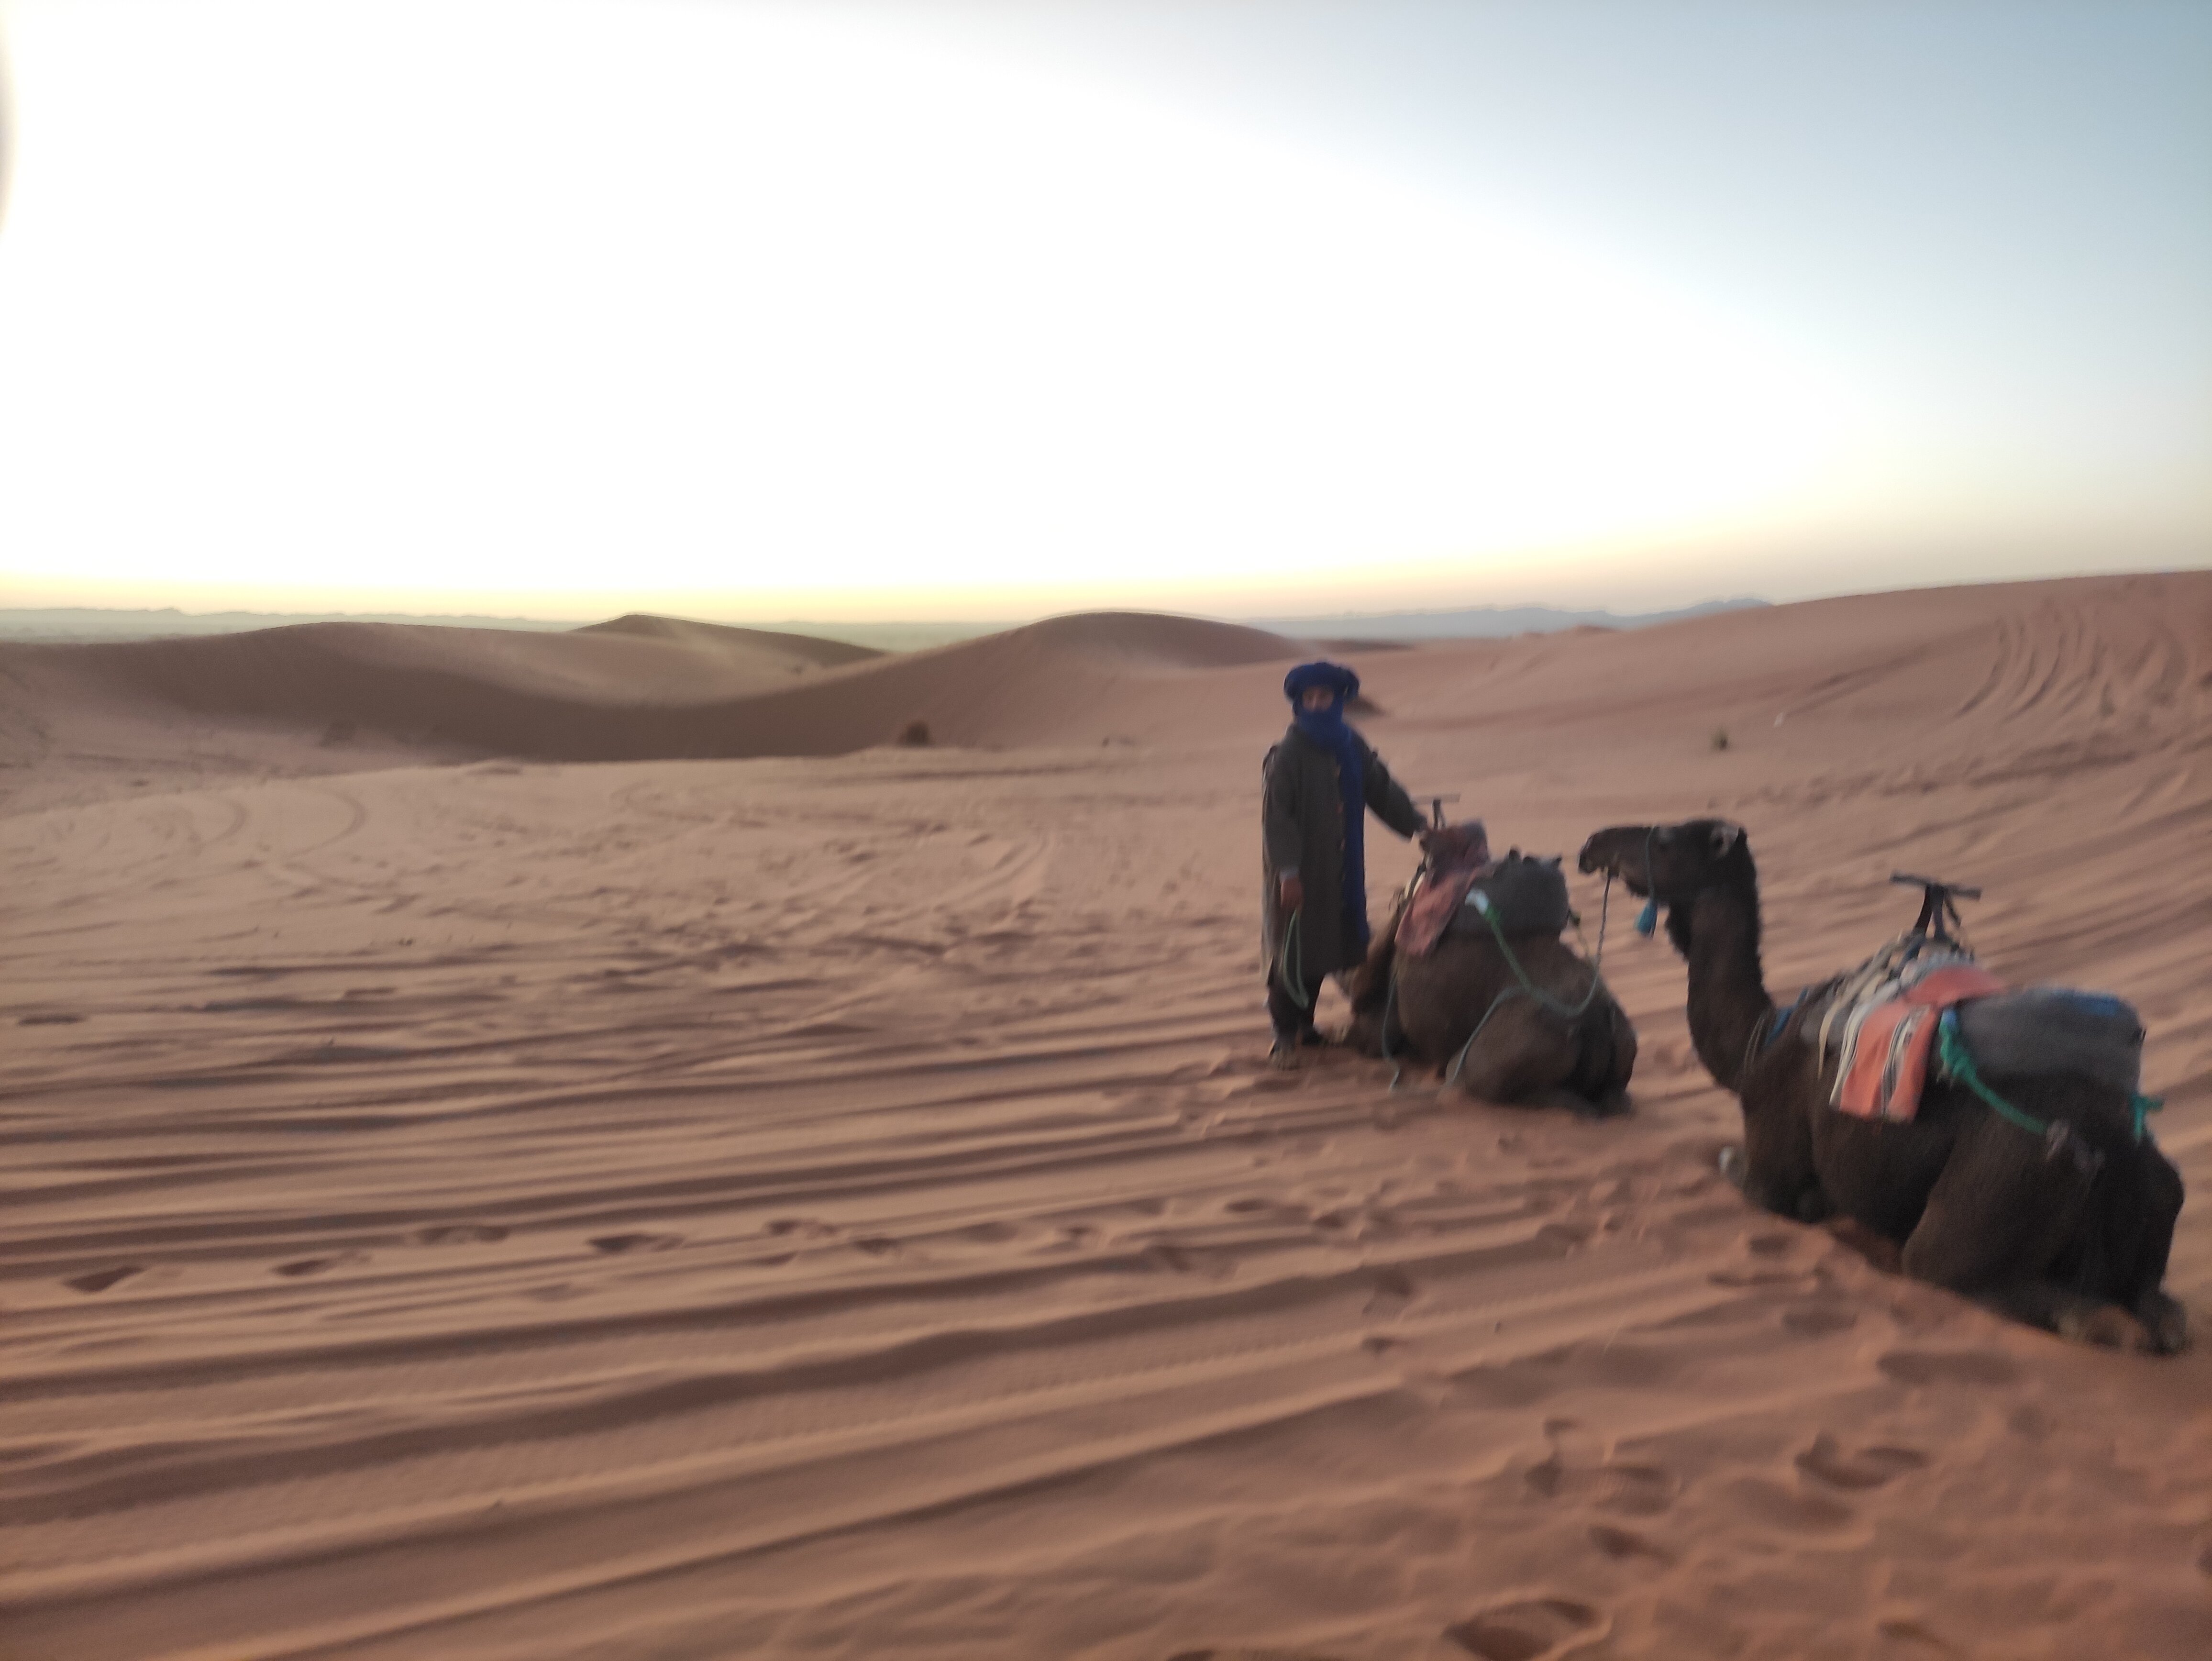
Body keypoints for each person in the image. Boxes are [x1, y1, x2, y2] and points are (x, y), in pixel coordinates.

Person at [1261, 661, 1427, 1068]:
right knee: (1292, 950)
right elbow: (1277, 819)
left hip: (1341, 870)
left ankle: (1306, 1028)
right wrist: (1288, 874)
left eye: (1325, 697)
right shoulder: (1289, 753)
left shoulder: (1350, 746)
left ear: (1339, 701)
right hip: (1297, 872)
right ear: (1299, 703)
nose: (1317, 704)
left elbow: (1382, 790)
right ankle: (1284, 1035)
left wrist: (1421, 828)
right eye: (1310, 698)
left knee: (1322, 947)